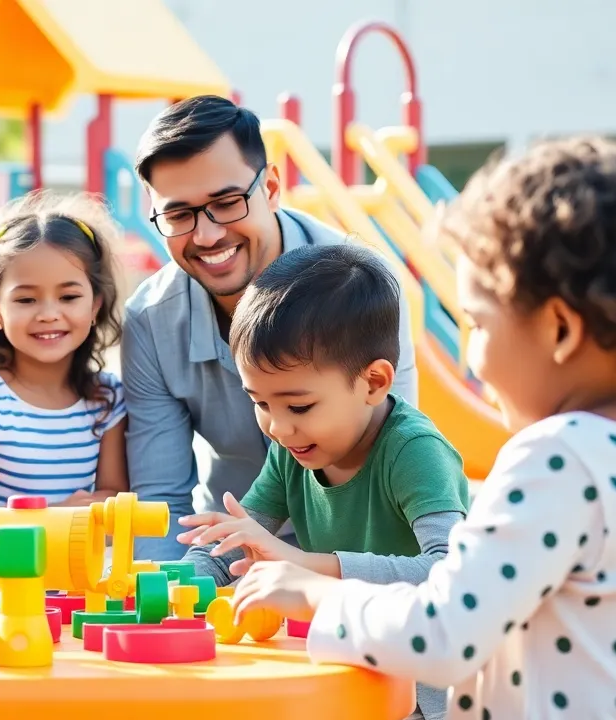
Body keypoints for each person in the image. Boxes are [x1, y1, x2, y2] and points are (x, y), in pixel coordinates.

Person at [231, 137, 616, 720]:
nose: (471, 354)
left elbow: (446, 630)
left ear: (559, 329)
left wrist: (315, 592)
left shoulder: (560, 459)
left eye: (477, 323)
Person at [179, 243, 468, 720]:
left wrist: (304, 568)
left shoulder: (414, 452)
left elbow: (448, 575)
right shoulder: (295, 450)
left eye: (299, 404)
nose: (278, 426)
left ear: (374, 382)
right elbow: (235, 546)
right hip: (328, 695)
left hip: (414, 714)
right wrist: (172, 588)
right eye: (259, 402)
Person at [123, 95, 419, 562]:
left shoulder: (364, 286)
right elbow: (161, 504)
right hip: (225, 557)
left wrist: (316, 576)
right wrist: (164, 607)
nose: (207, 235)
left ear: (272, 188)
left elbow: (394, 453)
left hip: (356, 567)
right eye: (179, 215)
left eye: (227, 202)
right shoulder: (150, 319)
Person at [0, 191, 128, 506]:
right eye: (26, 299)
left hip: (86, 557)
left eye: (68, 297)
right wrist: (57, 519)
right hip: (2, 558)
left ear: (95, 305)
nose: (49, 314)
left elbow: (116, 500)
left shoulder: (108, 398)